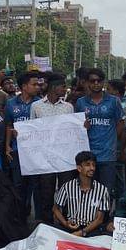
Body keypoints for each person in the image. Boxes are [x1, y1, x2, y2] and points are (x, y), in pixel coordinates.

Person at [30, 73, 75, 223]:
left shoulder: (69, 107)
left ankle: (68, 222)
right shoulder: (36, 106)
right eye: (63, 87)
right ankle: (46, 224)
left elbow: (72, 130)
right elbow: (31, 129)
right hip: (45, 157)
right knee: (46, 192)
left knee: (67, 189)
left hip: (64, 157)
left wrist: (82, 127)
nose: (65, 89)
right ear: (54, 88)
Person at [76, 68, 124, 195]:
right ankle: (89, 215)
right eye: (92, 81)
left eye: (99, 80)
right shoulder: (80, 103)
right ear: (87, 83)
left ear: (103, 83)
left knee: (106, 191)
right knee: (88, 191)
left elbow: (120, 123)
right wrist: (82, 126)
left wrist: (112, 139)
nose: (96, 83)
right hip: (88, 154)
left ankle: (106, 215)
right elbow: (76, 127)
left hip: (108, 155)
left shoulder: (113, 101)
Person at [4, 71, 40, 218]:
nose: (37, 86)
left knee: (36, 185)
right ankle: (20, 215)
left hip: (36, 152)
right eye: (34, 84)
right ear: (24, 86)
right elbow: (8, 125)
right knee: (18, 185)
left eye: (38, 84)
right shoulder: (11, 103)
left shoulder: (39, 103)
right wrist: (7, 145)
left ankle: (38, 218)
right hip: (18, 150)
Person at [52, 150, 110, 237]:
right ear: (79, 168)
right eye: (87, 165)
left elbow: (99, 220)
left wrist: (82, 232)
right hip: (71, 227)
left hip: (91, 230)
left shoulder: (102, 190)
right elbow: (55, 209)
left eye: (93, 165)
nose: (92, 168)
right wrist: (65, 223)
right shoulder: (67, 186)